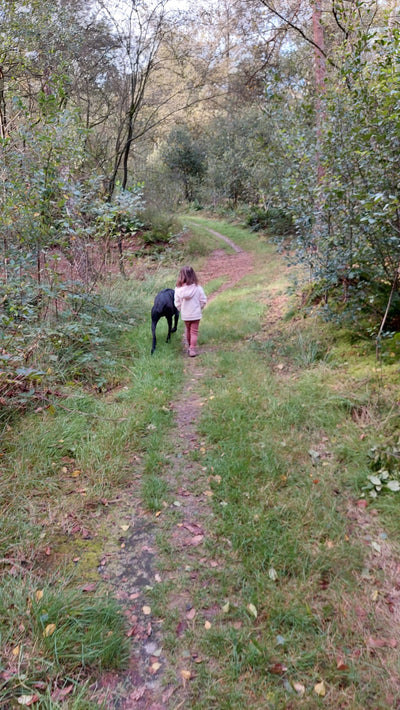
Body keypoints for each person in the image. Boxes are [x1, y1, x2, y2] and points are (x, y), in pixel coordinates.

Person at [174, 265, 207, 357]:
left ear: (181, 276)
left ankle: (189, 346)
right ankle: (192, 348)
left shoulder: (178, 290)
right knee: (194, 332)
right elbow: (203, 300)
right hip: (196, 314)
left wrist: (182, 310)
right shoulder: (198, 288)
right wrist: (199, 308)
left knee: (188, 330)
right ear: (193, 275)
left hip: (185, 314)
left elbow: (177, 303)